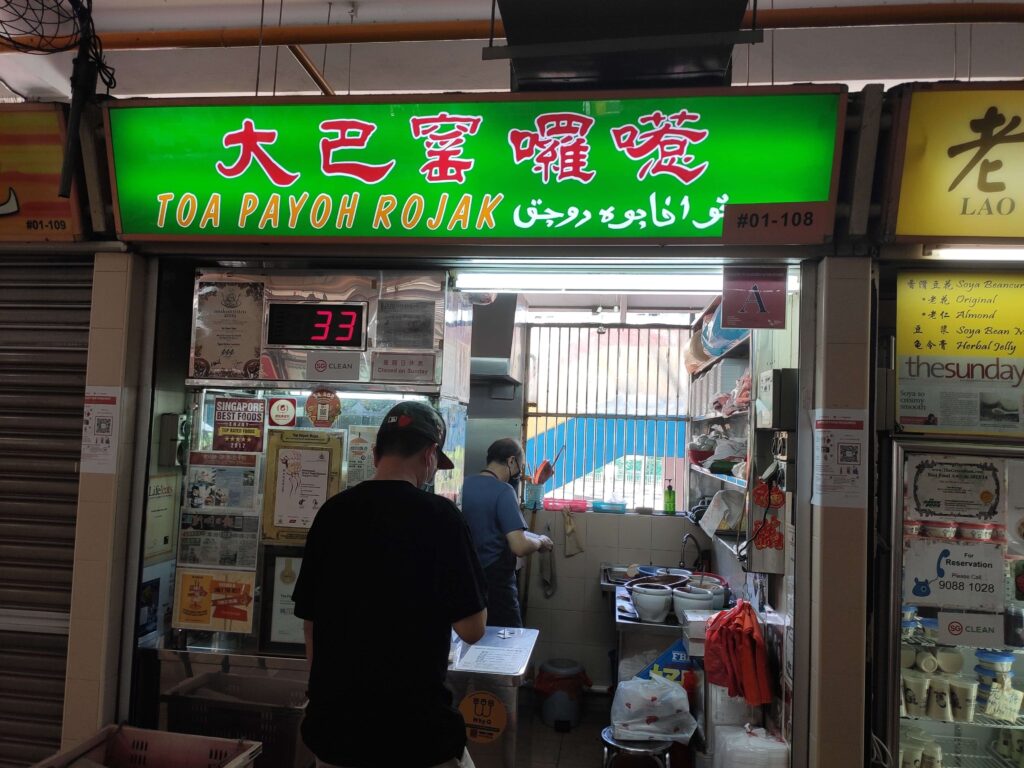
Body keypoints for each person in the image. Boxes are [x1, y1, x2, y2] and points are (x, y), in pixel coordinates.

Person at [293, 401, 487, 768]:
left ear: (376, 451)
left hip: (336, 734)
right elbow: (472, 629)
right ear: (430, 454)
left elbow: (311, 625)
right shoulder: (441, 518)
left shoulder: (332, 514)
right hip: (415, 735)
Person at [460, 438, 553, 628]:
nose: (520, 472)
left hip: (465, 581)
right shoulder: (504, 491)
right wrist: (541, 542)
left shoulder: (463, 485)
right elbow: (519, 545)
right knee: (507, 643)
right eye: (521, 466)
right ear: (511, 461)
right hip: (495, 585)